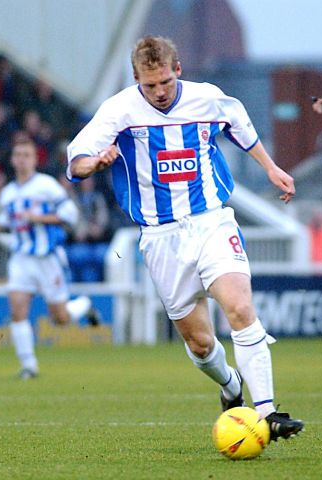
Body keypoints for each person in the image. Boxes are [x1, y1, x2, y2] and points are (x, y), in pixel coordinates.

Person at [67, 35, 303, 441]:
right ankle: (230, 385)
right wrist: (96, 162)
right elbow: (76, 159)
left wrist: (270, 167)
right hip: (160, 237)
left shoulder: (207, 98)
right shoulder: (119, 110)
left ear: (178, 70)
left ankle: (267, 411)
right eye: (149, 85)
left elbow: (239, 125)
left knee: (240, 307)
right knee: (199, 344)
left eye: (165, 82)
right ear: (136, 78)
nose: (159, 93)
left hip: (212, 221)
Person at [0, 137, 100, 379]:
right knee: (17, 309)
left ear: (35, 159)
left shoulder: (47, 186)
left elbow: (69, 214)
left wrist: (40, 218)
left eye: (27, 155)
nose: (22, 159)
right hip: (22, 258)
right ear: (13, 160)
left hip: (48, 257)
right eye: (18, 155)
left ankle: (84, 305)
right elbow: (11, 222)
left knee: (60, 319)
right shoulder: (8, 192)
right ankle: (29, 366)